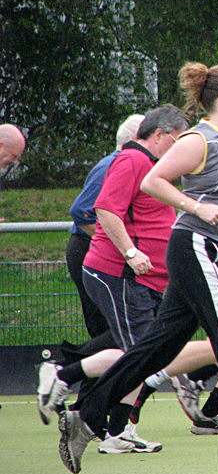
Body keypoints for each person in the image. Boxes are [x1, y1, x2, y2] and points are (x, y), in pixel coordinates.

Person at [56, 62, 218, 474]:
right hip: (197, 248)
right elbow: (154, 181)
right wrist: (195, 207)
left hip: (214, 251)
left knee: (158, 348)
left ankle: (84, 415)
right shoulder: (199, 139)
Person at [38, 105, 188, 455]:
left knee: (138, 353)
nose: (182, 149)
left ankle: (69, 381)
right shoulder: (132, 160)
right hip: (118, 274)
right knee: (140, 355)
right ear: (161, 136)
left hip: (140, 278)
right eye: (179, 140)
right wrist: (131, 253)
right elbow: (104, 208)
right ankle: (78, 392)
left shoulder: (151, 165)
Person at [66, 114, 144, 338]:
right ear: (136, 139)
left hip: (101, 250)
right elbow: (81, 211)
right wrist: (118, 244)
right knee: (108, 324)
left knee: (118, 323)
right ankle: (73, 369)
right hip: (87, 248)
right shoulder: (111, 166)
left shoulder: (126, 164)